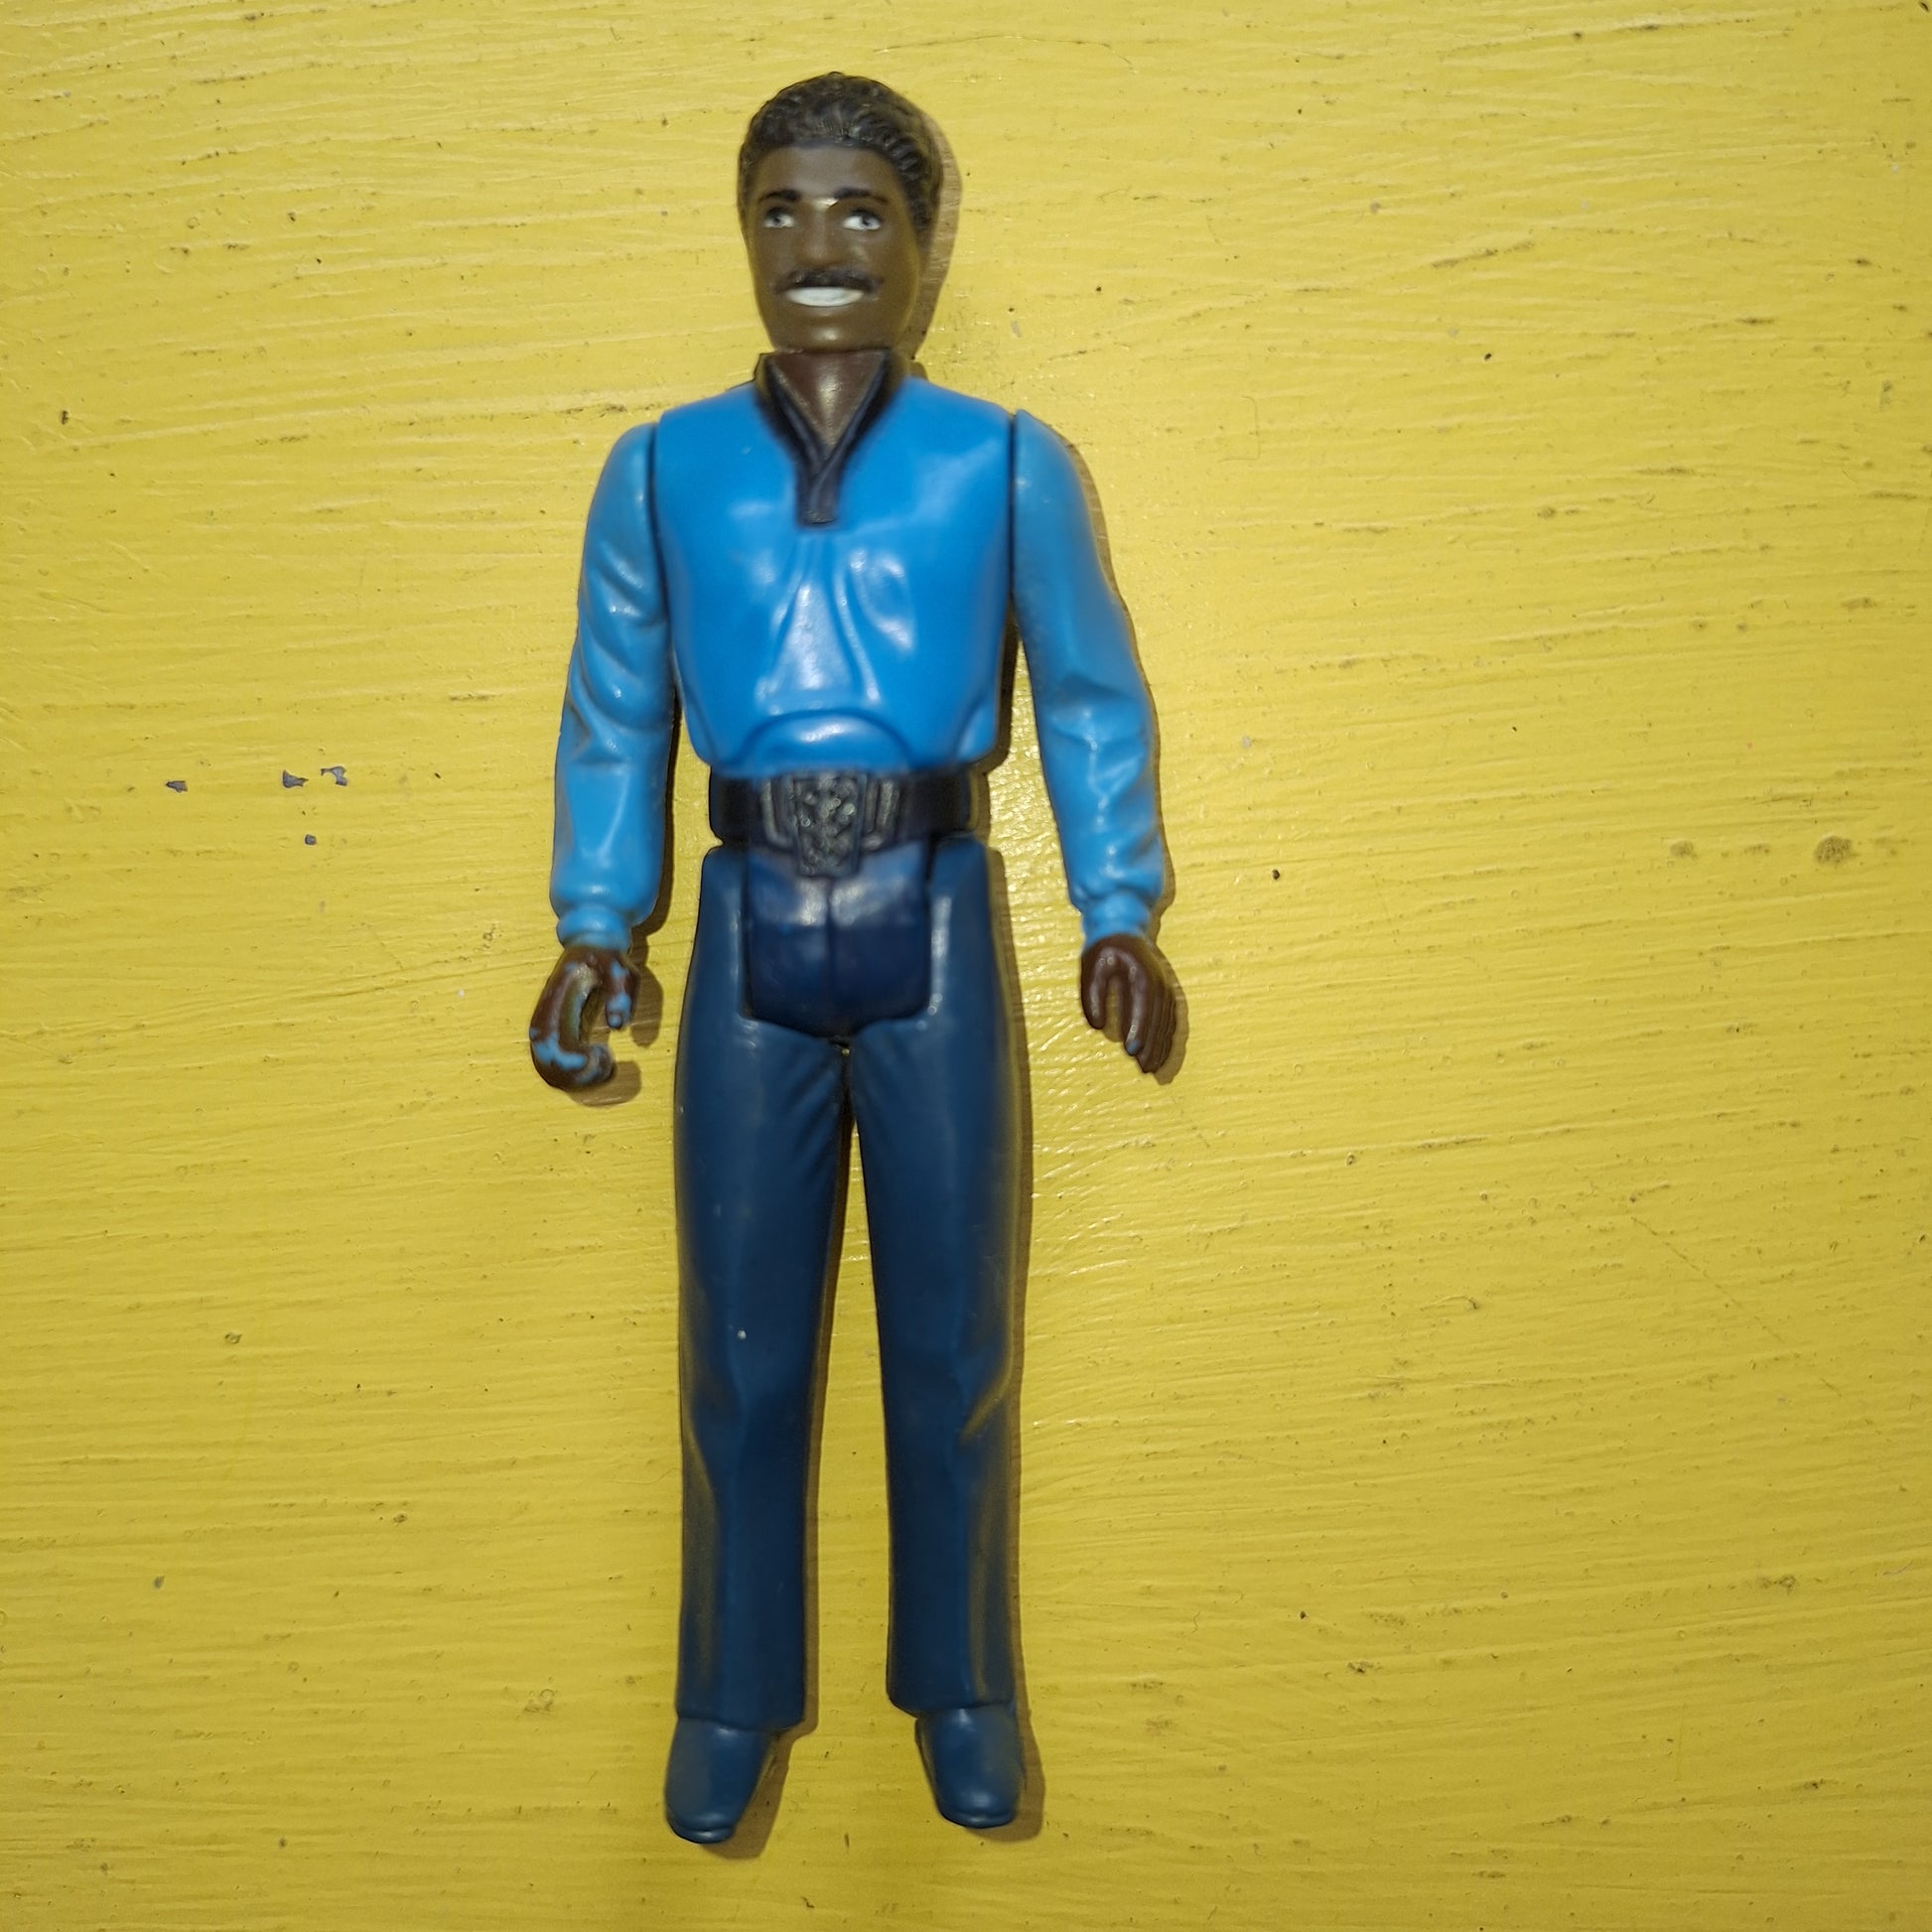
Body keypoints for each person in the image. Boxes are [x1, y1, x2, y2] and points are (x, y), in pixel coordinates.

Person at [528, 72, 1174, 1843]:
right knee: (736, 1350)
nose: (820, 244)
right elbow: (612, 711)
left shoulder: (1004, 461)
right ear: (742, 234)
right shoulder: (660, 470)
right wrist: (594, 922)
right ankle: (726, 1693)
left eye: (861, 211)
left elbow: (1089, 696)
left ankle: (961, 1681)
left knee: (951, 1337)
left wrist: (1115, 906)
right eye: (782, 209)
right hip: (749, 914)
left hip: (932, 909)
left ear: (921, 243)